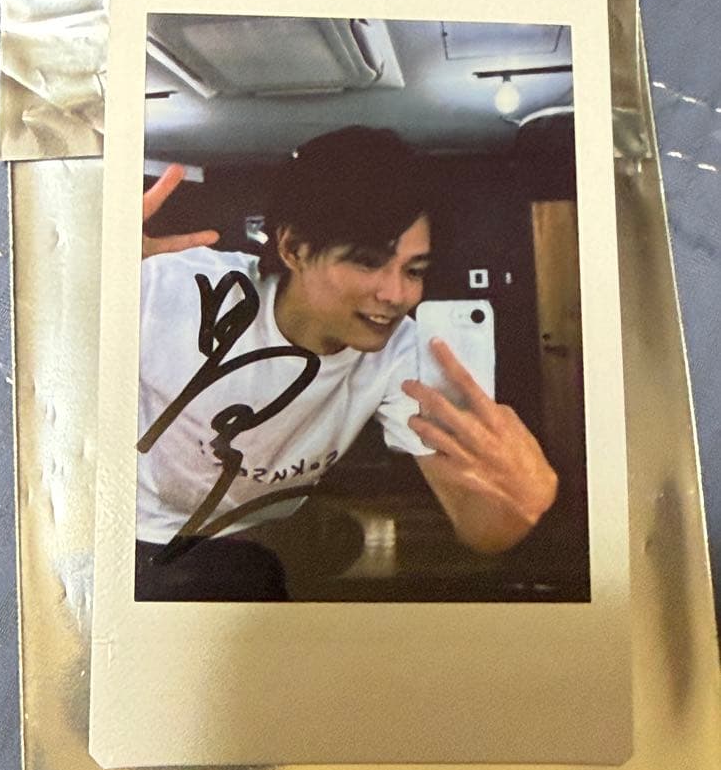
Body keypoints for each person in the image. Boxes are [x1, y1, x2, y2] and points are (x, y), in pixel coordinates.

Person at [136, 126, 557, 600]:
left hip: (259, 542)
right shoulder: (178, 288)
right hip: (131, 529)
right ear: (293, 249)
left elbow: (477, 524)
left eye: (414, 270)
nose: (396, 294)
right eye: (367, 262)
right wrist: (81, 272)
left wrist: (520, 506)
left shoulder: (405, 352)